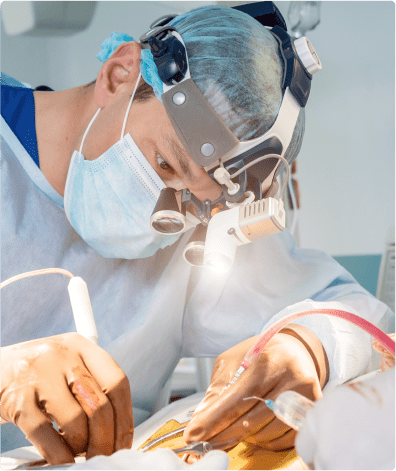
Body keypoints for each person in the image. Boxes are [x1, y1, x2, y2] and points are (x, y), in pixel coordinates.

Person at [1, 4, 394, 466]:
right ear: (118, 75)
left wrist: (308, 346)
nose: (161, 214)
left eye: (199, 204)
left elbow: (349, 312)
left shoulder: (197, 218)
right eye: (166, 164)